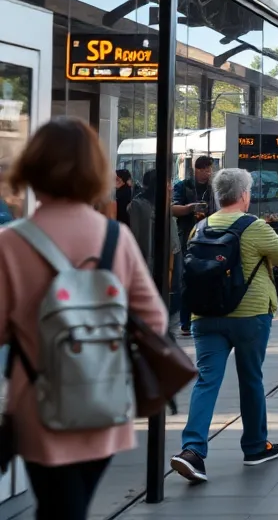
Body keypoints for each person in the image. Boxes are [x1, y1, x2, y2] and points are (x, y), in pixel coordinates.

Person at [0, 118, 166, 520]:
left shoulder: (11, 243)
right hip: (104, 404)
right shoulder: (115, 238)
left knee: (57, 507)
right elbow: (154, 321)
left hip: (39, 406)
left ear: (32, 168)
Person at [170, 167, 278, 483]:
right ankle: (255, 447)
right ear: (243, 195)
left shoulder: (199, 227)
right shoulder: (253, 226)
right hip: (249, 316)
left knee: (206, 381)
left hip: (205, 315)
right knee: (251, 379)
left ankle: (192, 451)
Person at [171, 156, 215, 337]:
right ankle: (185, 321)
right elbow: (172, 208)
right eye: (204, 170)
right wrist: (190, 208)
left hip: (209, 236)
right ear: (196, 170)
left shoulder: (214, 188)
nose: (208, 173)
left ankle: (207, 316)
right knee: (187, 278)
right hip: (188, 237)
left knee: (209, 276)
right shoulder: (184, 186)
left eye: (210, 170)